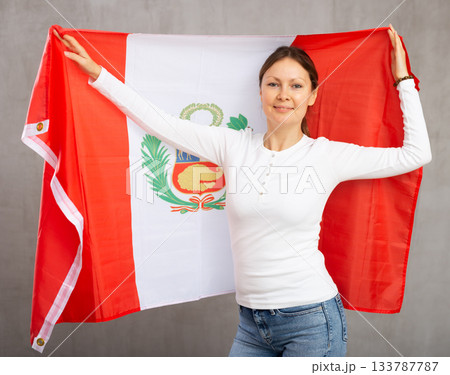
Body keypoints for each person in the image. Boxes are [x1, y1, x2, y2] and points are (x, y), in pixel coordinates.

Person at [53, 24, 432, 357]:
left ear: (312, 96)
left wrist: (403, 82)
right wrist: (99, 74)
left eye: (296, 86)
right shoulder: (233, 145)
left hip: (312, 321)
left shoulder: (326, 155)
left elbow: (416, 154)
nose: (284, 94)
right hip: (252, 324)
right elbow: (159, 123)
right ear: (261, 92)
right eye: (274, 84)